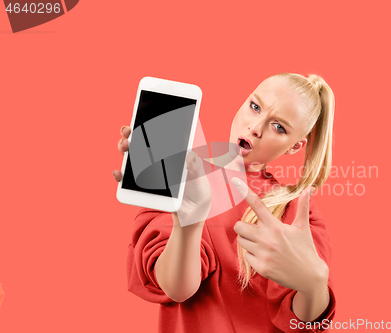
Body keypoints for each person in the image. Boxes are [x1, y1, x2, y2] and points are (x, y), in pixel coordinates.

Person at [113, 73, 336, 332]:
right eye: (255, 107)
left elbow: (304, 322)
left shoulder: (298, 215)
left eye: (279, 127)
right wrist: (189, 224)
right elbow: (176, 288)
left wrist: (314, 284)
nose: (256, 127)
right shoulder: (179, 178)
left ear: (294, 147)